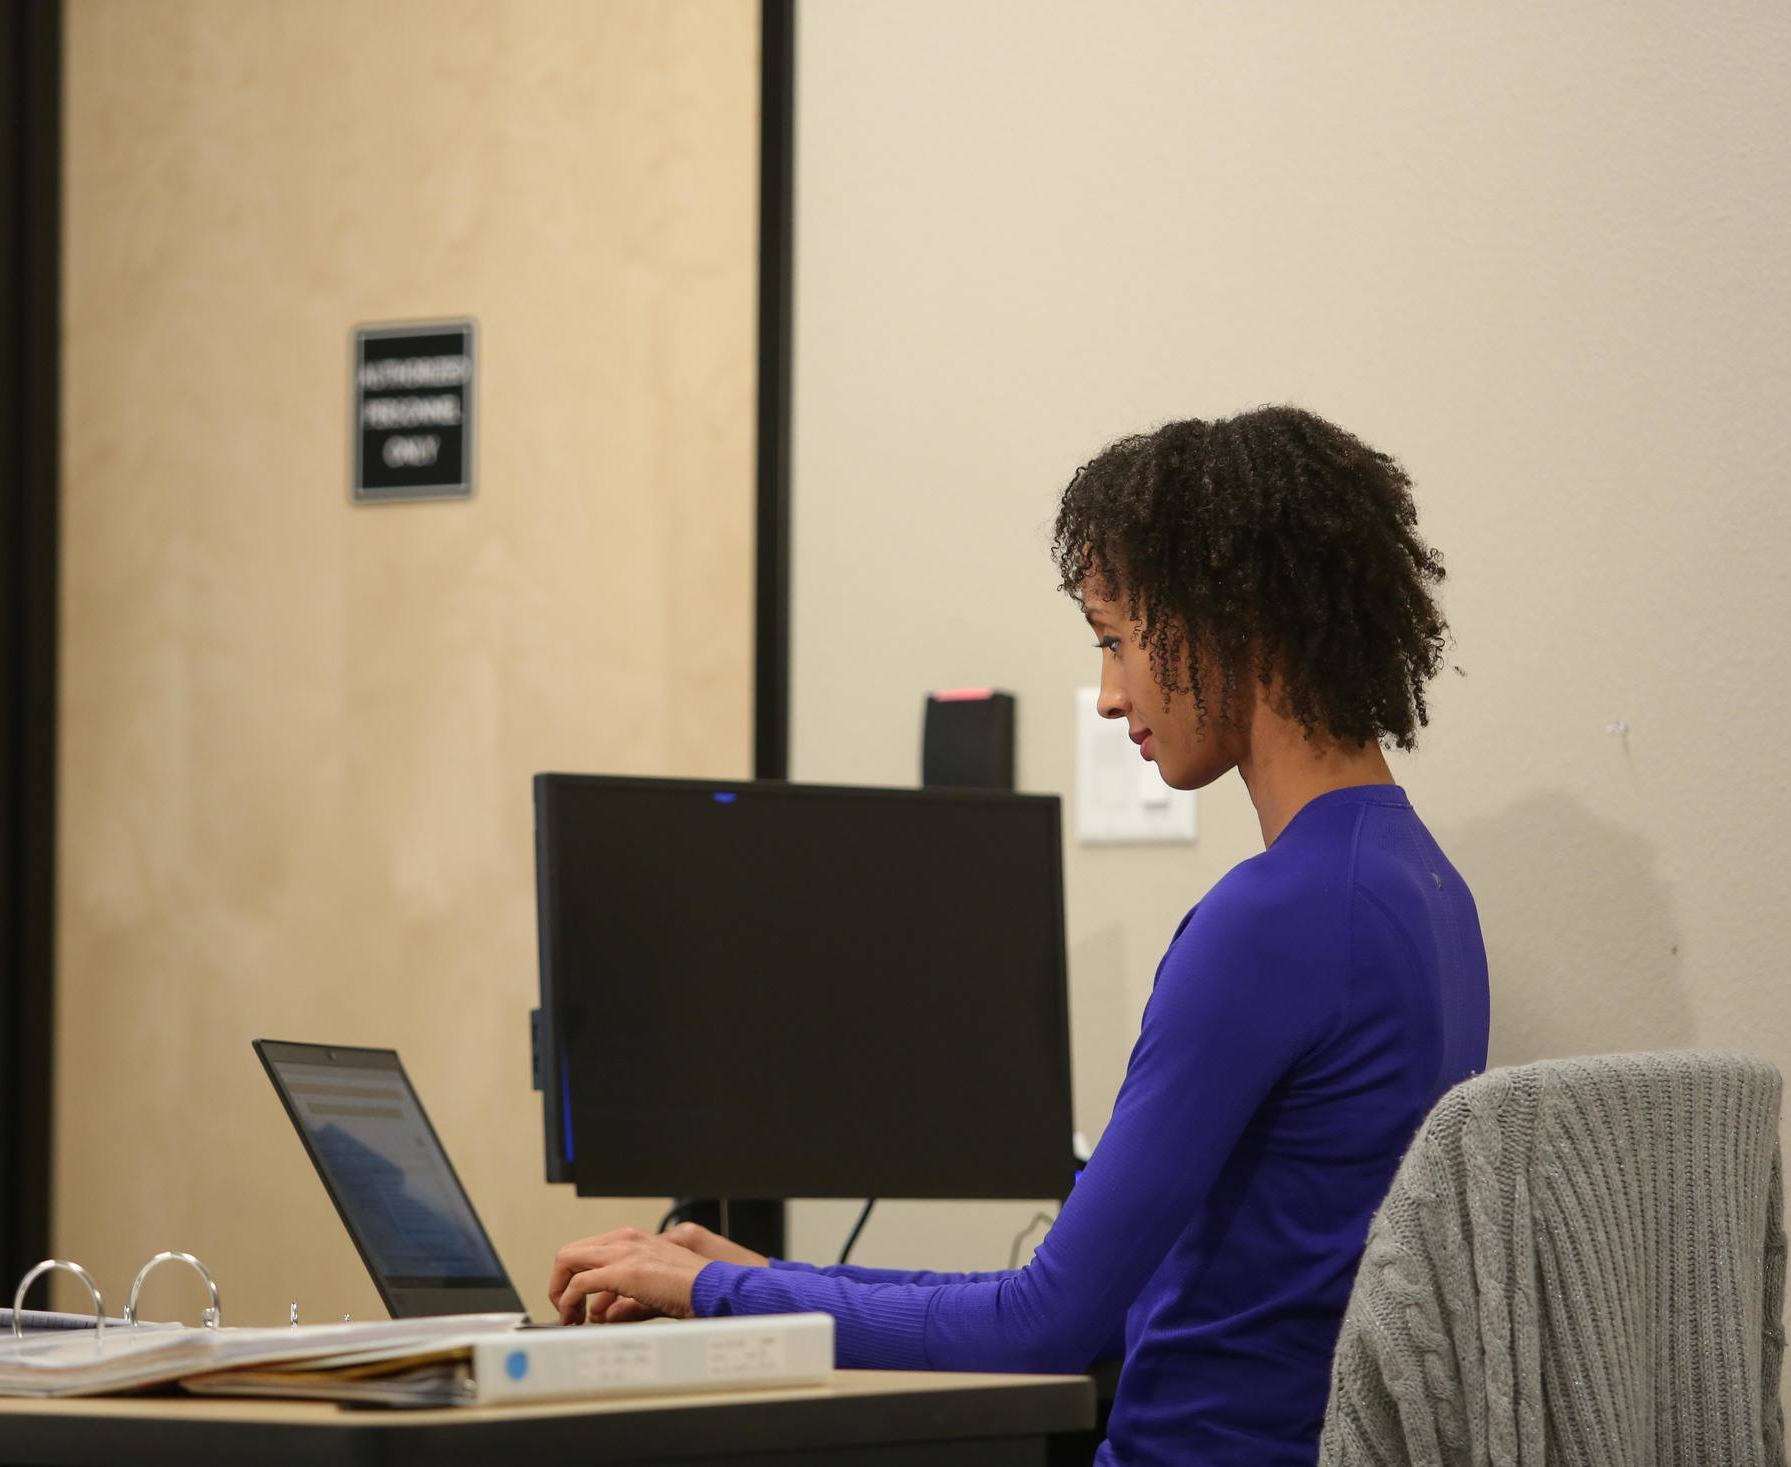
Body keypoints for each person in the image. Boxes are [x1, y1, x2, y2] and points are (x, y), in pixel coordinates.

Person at [546, 405, 1492, 1466]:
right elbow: (1059, 1292)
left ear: (1235, 618)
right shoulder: (1426, 892)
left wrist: (719, 1292)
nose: (1106, 694)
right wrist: (754, 1280)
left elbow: (1041, 1324)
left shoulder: (1272, 917)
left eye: (1115, 639)